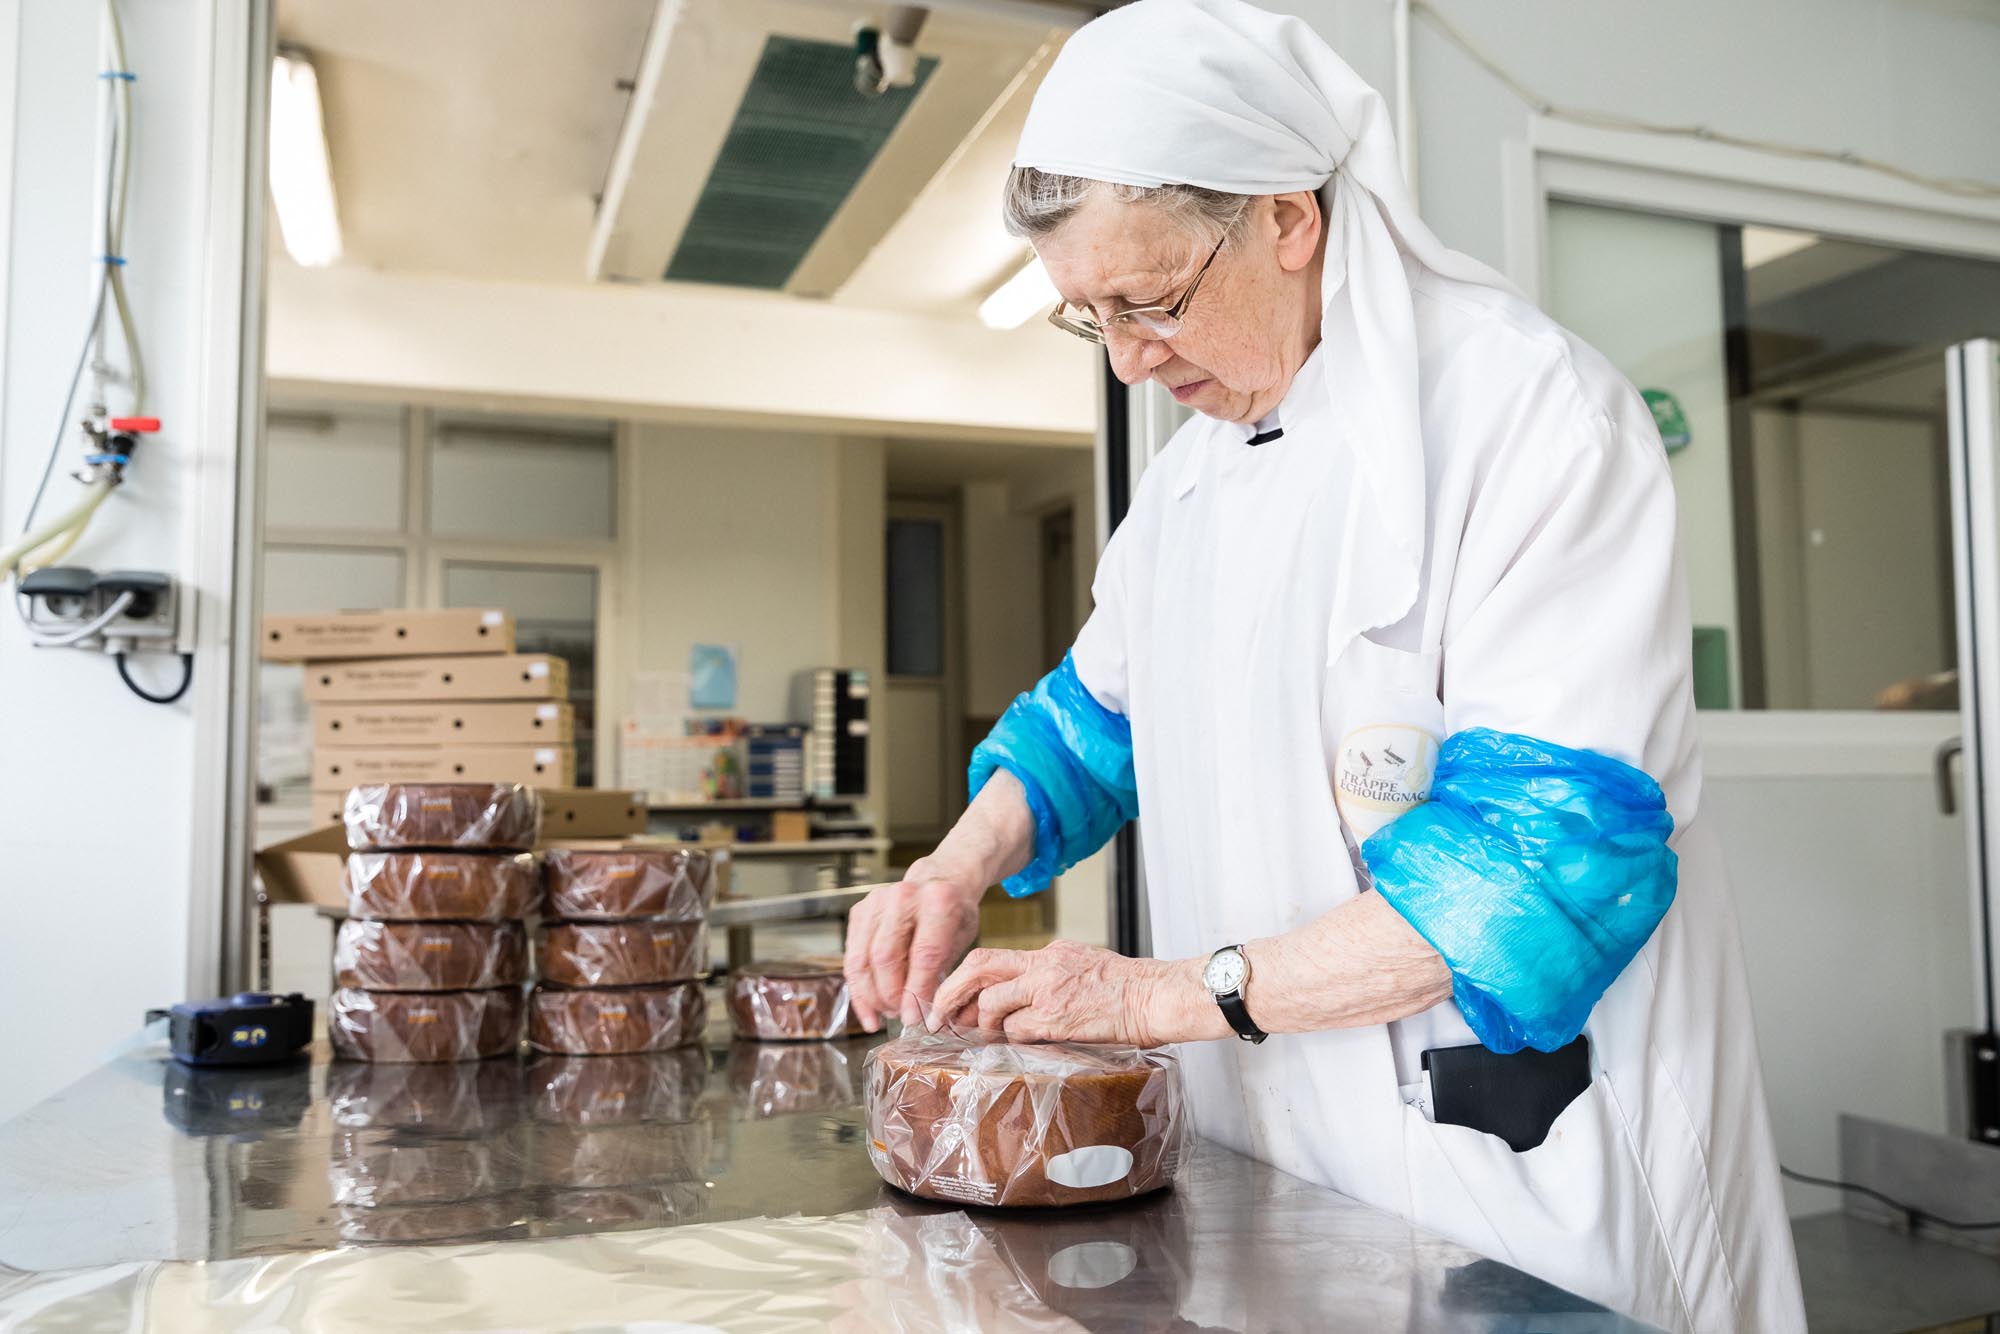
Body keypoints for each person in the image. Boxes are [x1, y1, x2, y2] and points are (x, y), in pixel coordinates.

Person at [841, 2, 1805, 1329]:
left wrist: (1157, 996)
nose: (1128, 359)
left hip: (1522, 1185)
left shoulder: (1530, 420)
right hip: (1281, 1178)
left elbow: (1530, 876)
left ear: (1287, 217)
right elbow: (1091, 726)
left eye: (1153, 299)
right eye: (1092, 319)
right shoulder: (1182, 494)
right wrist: (954, 866)